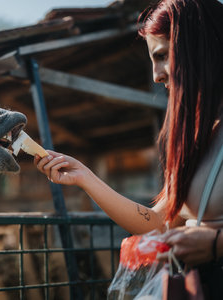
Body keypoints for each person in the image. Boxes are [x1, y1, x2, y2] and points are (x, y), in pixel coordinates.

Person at [34, 0, 223, 297]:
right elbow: (158, 223)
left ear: (199, 48)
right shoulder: (198, 138)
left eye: (161, 56)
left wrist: (216, 244)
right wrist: (85, 177)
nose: (156, 76)